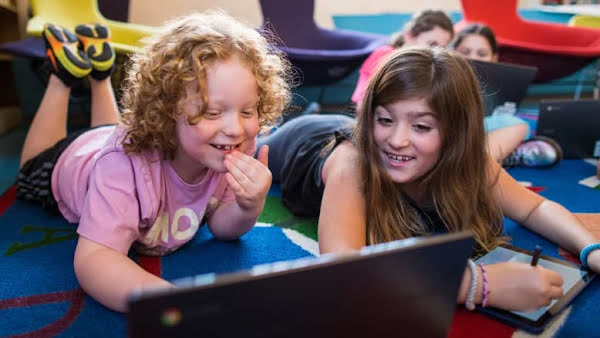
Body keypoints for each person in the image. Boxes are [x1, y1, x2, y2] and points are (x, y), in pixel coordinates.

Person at [258, 47, 600, 312]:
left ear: (455, 134)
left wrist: (591, 249)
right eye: (385, 119)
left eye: (421, 126)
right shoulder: (354, 165)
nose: (398, 139)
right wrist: (476, 285)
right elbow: (342, 272)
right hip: (301, 141)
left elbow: (534, 208)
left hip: (350, 134)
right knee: (240, 154)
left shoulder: (469, 160)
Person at [16, 11, 291, 312]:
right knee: (29, 169)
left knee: (112, 134)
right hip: (70, 162)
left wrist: (247, 206)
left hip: (114, 139)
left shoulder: (220, 151)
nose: (236, 129)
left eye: (247, 112)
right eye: (213, 113)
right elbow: (95, 258)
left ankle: (101, 75)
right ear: (167, 110)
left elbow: (222, 224)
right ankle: (62, 77)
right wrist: (173, 304)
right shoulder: (122, 166)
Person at [452, 23, 562, 168]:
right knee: (518, 127)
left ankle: (495, 156)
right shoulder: (445, 74)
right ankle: (500, 156)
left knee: (519, 125)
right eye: (465, 52)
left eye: (482, 54)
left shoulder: (497, 80)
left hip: (482, 126)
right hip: (454, 127)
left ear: (494, 57)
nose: (473, 58)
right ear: (453, 52)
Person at [351, 9, 454, 107]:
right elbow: (362, 102)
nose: (436, 52)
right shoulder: (384, 55)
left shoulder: (432, 66)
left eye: (442, 48)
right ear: (409, 36)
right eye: (431, 44)